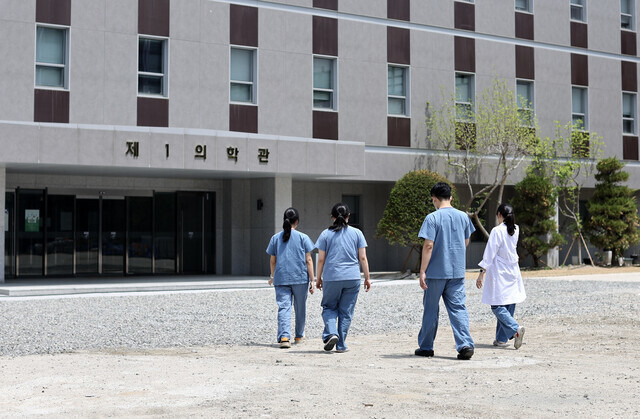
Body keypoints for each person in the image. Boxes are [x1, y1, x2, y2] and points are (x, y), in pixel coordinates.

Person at [415, 182, 476, 360]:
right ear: (450, 197)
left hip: (435, 272)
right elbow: (466, 242)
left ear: (434, 198)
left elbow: (428, 245)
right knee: (458, 308)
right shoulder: (463, 217)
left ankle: (426, 347)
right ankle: (465, 344)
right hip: (457, 271)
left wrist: (422, 271)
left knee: (431, 310)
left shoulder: (432, 218)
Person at [315, 203, 371, 353]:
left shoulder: (325, 234)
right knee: (346, 311)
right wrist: (367, 277)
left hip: (332, 276)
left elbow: (321, 259)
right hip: (352, 277)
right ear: (348, 216)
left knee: (329, 307)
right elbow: (363, 258)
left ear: (332, 217)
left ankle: (332, 333)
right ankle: (341, 345)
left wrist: (318, 278)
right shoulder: (357, 233)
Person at [476, 203, 526, 349]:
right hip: (513, 271)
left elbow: (489, 253)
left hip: (500, 272)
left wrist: (481, 273)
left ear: (499, 215)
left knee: (497, 305)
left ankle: (515, 329)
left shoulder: (497, 231)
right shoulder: (516, 229)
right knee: (508, 303)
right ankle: (501, 339)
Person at [266, 207, 316, 349]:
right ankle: (299, 336)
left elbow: (272, 261)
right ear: (297, 221)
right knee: (300, 308)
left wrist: (272, 276)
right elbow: (309, 260)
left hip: (281, 278)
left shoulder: (275, 238)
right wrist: (312, 280)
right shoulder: (303, 237)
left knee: (284, 308)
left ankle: (284, 337)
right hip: (300, 278)